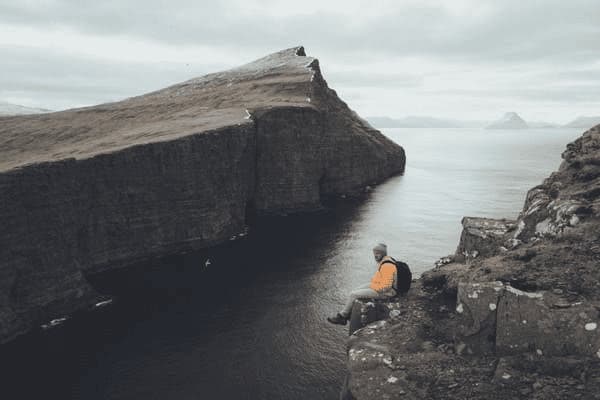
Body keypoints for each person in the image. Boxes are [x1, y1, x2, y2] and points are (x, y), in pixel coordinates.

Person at [327, 243, 397, 325]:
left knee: (353, 294)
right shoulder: (385, 261)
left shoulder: (387, 266)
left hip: (386, 293)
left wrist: (373, 287)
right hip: (378, 286)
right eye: (374, 254)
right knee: (354, 291)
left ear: (382, 254)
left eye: (377, 254)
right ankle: (349, 313)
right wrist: (373, 284)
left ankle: (342, 317)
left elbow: (386, 287)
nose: (375, 256)